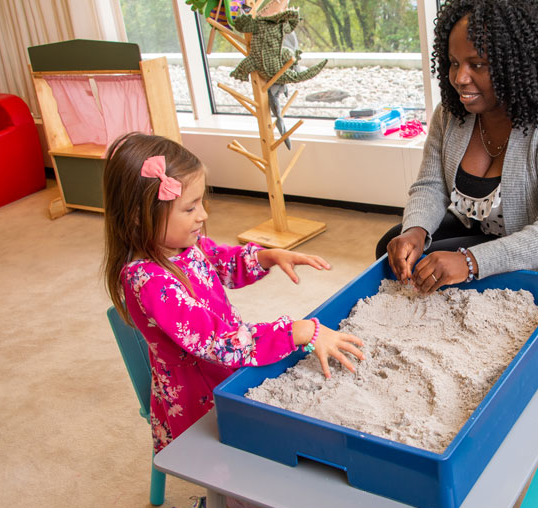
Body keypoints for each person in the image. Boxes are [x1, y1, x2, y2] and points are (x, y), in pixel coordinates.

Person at [102, 132, 365, 459]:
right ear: (140, 216)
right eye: (190, 208)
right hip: (200, 395)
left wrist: (266, 257)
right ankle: (219, 504)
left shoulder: (183, 244)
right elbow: (217, 341)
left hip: (228, 363)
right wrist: (296, 330)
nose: (203, 215)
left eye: (201, 203)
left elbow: (222, 261)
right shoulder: (149, 281)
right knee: (231, 466)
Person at [377, 0, 538, 300]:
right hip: (490, 231)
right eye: (453, 62)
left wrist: (469, 262)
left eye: (477, 64)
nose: (460, 78)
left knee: (443, 280)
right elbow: (430, 185)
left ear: (517, 65)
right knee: (392, 247)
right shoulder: (451, 115)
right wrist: (415, 231)